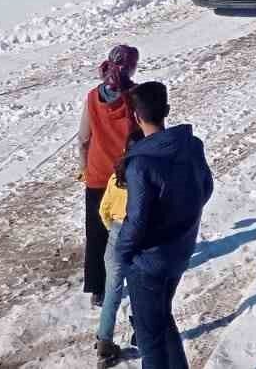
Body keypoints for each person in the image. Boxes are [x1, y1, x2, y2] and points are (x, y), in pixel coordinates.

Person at [118, 81, 214, 369]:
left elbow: (136, 221)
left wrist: (122, 254)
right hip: (180, 250)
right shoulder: (192, 145)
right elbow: (205, 188)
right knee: (162, 317)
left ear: (136, 117)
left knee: (151, 342)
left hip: (149, 262)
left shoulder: (140, 164)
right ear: (167, 110)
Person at [77, 44, 139, 305]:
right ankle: (131, 274)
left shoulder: (92, 96)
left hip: (97, 177)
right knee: (131, 228)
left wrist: (84, 168)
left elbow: (83, 139)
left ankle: (97, 290)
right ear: (132, 67)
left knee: (96, 234)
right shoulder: (136, 96)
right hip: (127, 178)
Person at [93, 124, 143, 367]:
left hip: (115, 232)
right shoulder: (143, 178)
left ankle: (104, 340)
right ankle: (141, 333)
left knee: (112, 290)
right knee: (138, 288)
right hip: (137, 235)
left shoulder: (116, 177)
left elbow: (103, 209)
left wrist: (112, 228)